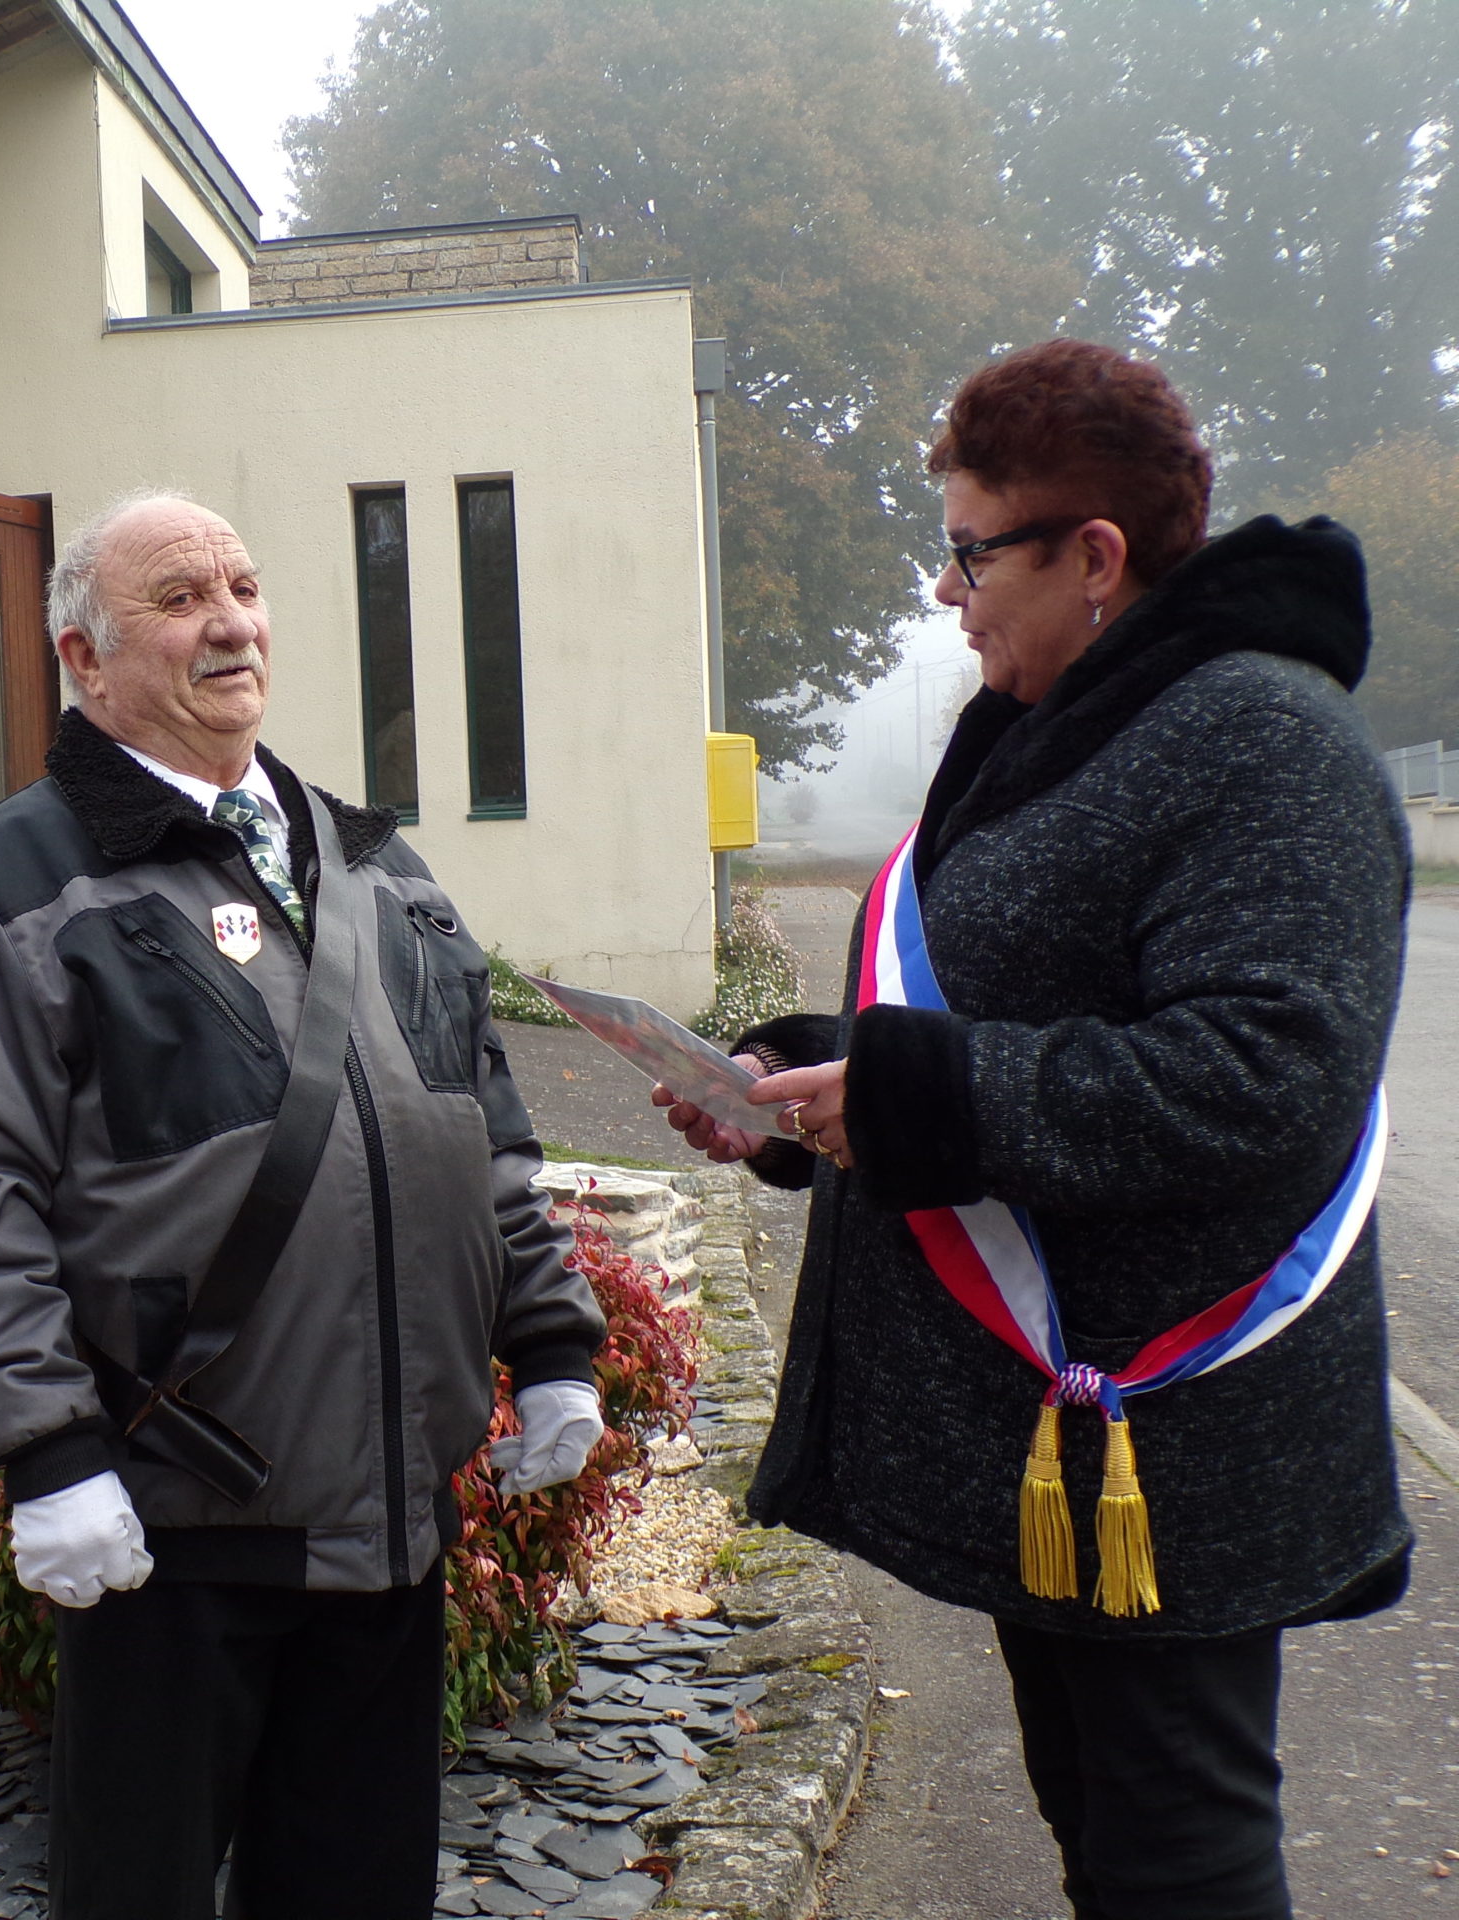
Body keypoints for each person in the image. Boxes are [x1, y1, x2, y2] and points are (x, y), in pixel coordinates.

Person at [660, 340, 1409, 1920]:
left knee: (1176, 1850)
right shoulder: (1059, 721)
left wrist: (924, 1096)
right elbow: (1003, 993)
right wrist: (800, 1082)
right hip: (1057, 1436)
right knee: (1101, 1828)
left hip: (1173, 1433)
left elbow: (1262, 1069)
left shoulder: (1267, 742)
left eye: (968, 548)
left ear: (1095, 555)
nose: (946, 591)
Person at [0, 491, 610, 1919]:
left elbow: (487, 1128)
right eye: (179, 597)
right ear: (83, 657)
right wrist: (45, 1453)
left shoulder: (372, 862)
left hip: (391, 1508)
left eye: (244, 586)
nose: (230, 622)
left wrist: (555, 1346)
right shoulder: (3, 890)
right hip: (173, 1516)